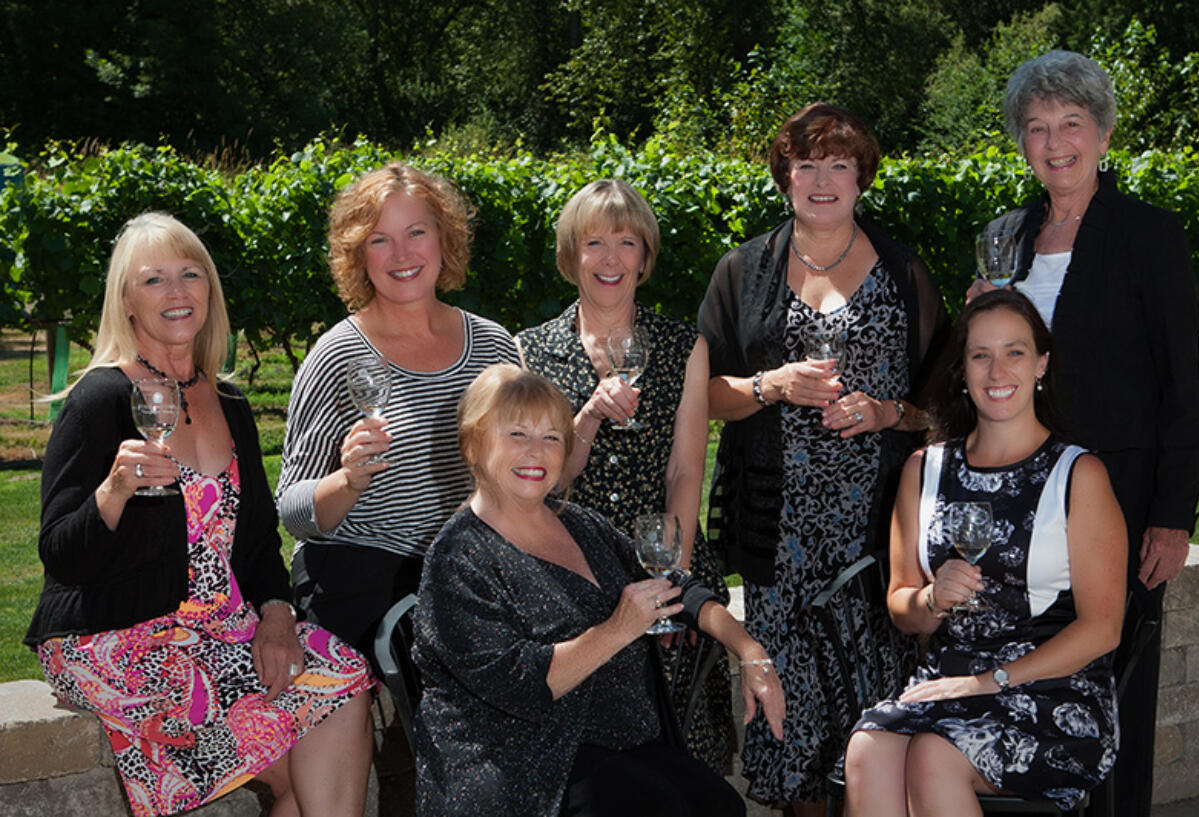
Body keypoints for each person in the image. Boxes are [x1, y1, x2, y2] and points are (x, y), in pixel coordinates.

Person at [25, 213, 374, 817]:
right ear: (127, 302)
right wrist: (113, 490)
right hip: (124, 629)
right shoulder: (101, 397)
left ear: (209, 291)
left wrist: (273, 613)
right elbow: (60, 553)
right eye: (154, 279)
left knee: (342, 677)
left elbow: (260, 542)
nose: (178, 292)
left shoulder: (232, 403)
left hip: (222, 626)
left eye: (191, 275)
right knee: (299, 762)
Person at [968, 50, 1199, 815]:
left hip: (1125, 497)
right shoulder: (1004, 236)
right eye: (1036, 127)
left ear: (1103, 135)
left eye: (1072, 122)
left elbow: (1181, 385)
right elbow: (986, 370)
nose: (1055, 140)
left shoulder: (1149, 235)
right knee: (1034, 677)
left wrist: (1173, 515)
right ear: (1021, 143)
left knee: (1115, 686)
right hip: (1022, 497)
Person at [697, 101, 948, 813]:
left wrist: (886, 412)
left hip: (878, 546)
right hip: (781, 549)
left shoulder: (904, 273)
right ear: (785, 176)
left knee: (875, 735)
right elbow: (707, 395)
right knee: (792, 740)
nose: (822, 179)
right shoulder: (742, 271)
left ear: (862, 177)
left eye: (840, 163)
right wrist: (769, 385)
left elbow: (948, 403)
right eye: (806, 164)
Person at [411, 364, 786, 817]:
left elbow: (676, 587)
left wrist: (748, 650)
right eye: (516, 434)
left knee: (720, 805)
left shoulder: (579, 523)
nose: (537, 452)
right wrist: (617, 630)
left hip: (619, 745)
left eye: (551, 437)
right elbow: (522, 686)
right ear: (473, 445)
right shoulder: (457, 558)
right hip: (523, 767)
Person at [843, 288, 1127, 816]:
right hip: (949, 681)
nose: (997, 371)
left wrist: (989, 681)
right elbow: (901, 606)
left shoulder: (1077, 475)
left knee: (933, 754)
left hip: (1053, 689)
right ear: (963, 371)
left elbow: (1103, 628)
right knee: (868, 750)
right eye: (981, 355)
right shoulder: (923, 470)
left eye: (1014, 352)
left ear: (1041, 364)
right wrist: (931, 599)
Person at [516, 178, 733, 771]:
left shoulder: (682, 346)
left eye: (627, 242)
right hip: (568, 570)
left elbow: (687, 471)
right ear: (571, 255)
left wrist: (673, 576)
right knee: (587, 748)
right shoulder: (532, 352)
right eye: (593, 243)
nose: (610, 259)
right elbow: (544, 487)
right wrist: (584, 417)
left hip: (662, 554)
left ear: (645, 256)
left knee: (675, 750)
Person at [276, 162, 517, 660]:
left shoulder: (494, 347)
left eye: (416, 232)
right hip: (360, 580)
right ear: (357, 254)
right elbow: (293, 513)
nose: (402, 254)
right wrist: (348, 480)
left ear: (443, 239)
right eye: (379, 239)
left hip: (467, 575)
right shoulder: (337, 355)